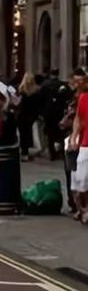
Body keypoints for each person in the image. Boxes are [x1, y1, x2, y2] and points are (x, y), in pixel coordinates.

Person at [68, 72, 88, 224]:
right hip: (85, 144)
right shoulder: (83, 98)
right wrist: (74, 137)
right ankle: (83, 210)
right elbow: (78, 119)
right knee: (80, 181)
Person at [17, 72, 42, 161]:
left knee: (23, 135)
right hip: (31, 116)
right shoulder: (36, 92)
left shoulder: (22, 91)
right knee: (29, 134)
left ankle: (25, 153)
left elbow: (19, 104)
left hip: (22, 115)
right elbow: (38, 105)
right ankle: (28, 152)